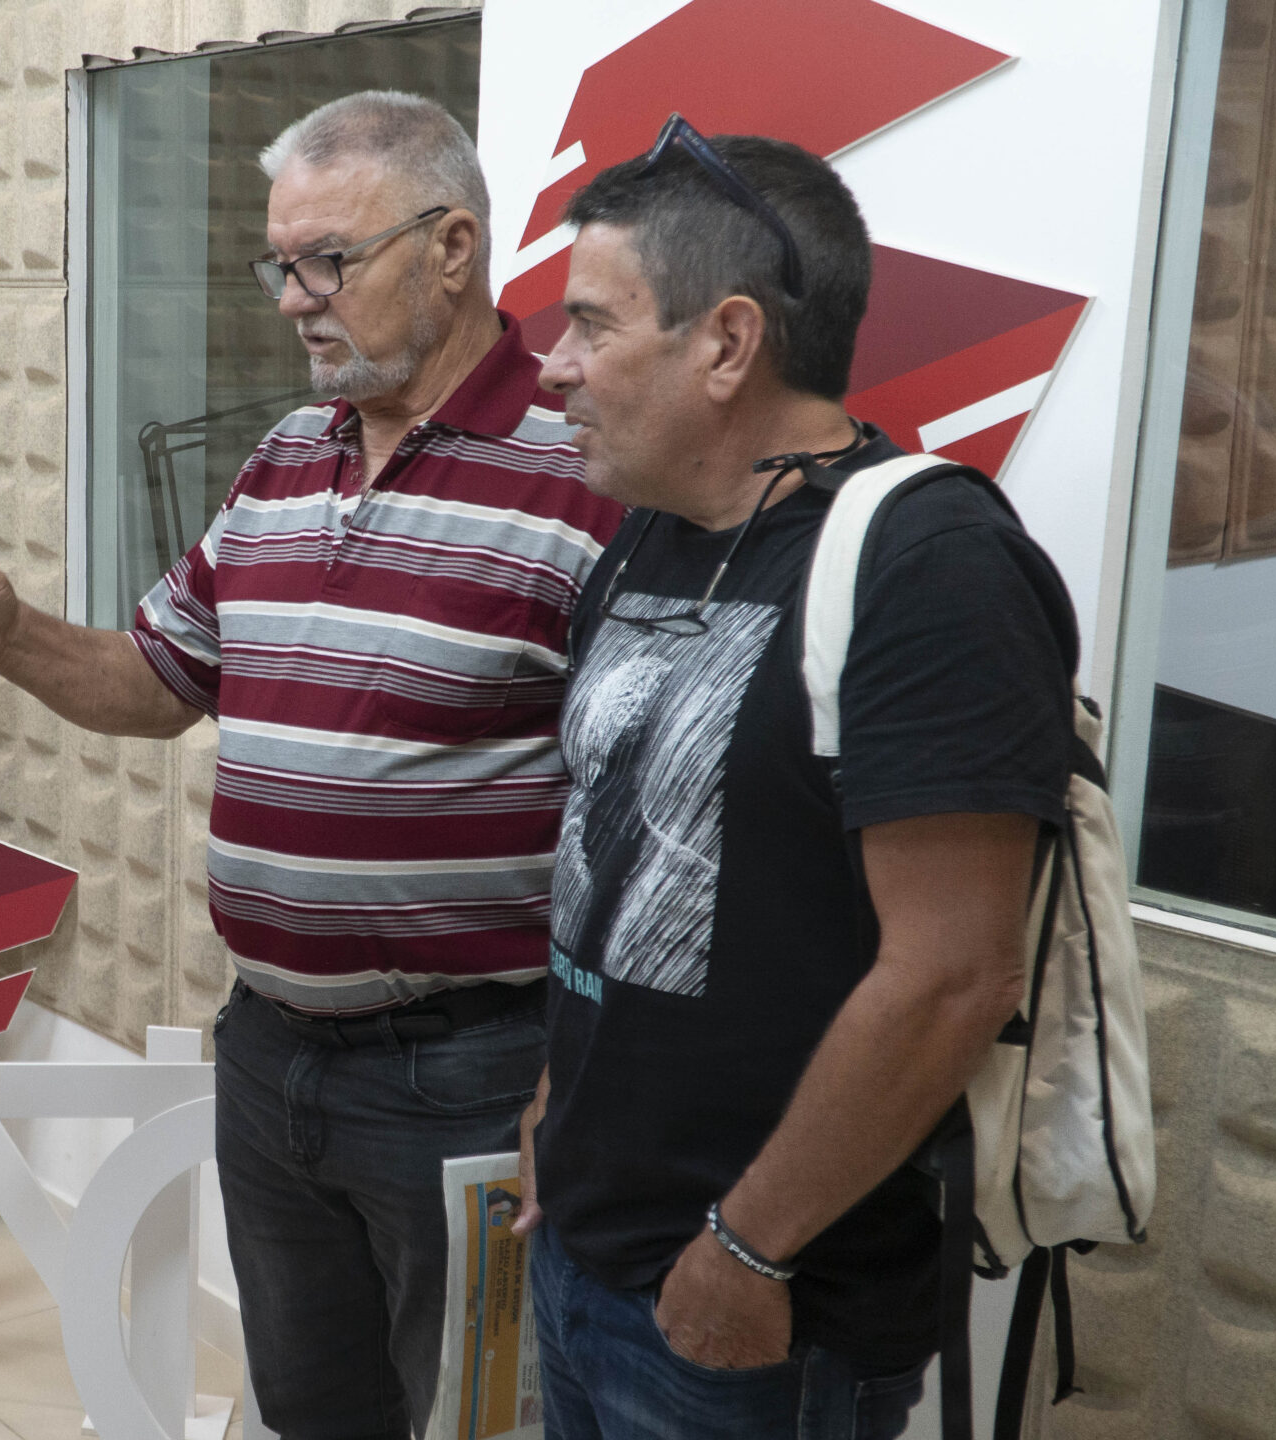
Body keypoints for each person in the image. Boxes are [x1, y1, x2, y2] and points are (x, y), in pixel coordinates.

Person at [0, 92, 623, 1439]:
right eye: (279, 264)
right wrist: (11, 637)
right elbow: (162, 681)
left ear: (454, 247)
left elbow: (642, 831)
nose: (294, 299)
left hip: (470, 1078)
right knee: (313, 1415)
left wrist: (572, 1084)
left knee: (478, 1421)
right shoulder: (286, 461)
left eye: (328, 260)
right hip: (274, 1054)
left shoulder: (583, 476)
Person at [509, 120, 1079, 1439]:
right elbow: (607, 856)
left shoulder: (930, 566)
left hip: (760, 1316)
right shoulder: (645, 537)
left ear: (725, 342)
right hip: (586, 1258)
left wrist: (747, 1251)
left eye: (592, 325)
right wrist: (557, 1100)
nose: (553, 369)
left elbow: (954, 974)